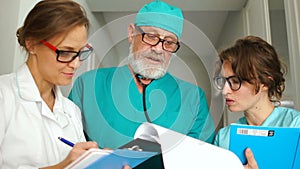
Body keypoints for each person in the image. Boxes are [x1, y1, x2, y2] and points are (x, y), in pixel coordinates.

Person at [69, 0, 216, 149]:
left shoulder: (193, 98)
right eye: (151, 36)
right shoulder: (88, 85)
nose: (159, 49)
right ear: (132, 33)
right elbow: (68, 151)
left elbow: (200, 158)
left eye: (169, 42)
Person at [0, 0, 100, 168]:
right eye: (66, 52)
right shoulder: (4, 96)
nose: (75, 64)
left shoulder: (71, 111)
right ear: (32, 44)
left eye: (80, 53)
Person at [213, 35, 300, 169]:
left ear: (266, 82)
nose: (225, 91)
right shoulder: (225, 137)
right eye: (223, 81)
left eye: (235, 82)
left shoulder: (295, 126)